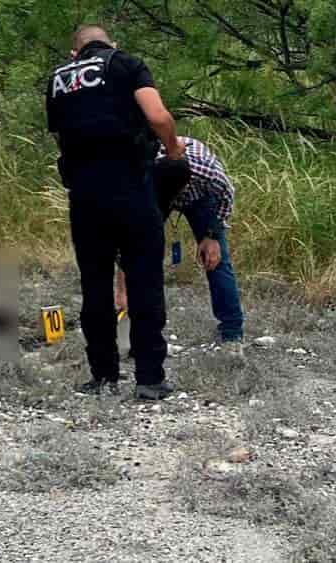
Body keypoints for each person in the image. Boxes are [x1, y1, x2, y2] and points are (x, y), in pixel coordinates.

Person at [45, 23, 187, 401]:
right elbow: (157, 117)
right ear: (112, 44)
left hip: (85, 197)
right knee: (144, 281)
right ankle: (150, 378)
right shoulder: (126, 64)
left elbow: (61, 137)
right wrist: (173, 149)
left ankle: (103, 376)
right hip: (131, 188)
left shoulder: (59, 79)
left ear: (75, 53)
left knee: (94, 286)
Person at [117, 136, 245, 346]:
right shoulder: (143, 167)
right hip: (156, 195)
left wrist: (211, 236)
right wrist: (122, 291)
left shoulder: (208, 172)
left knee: (215, 260)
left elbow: (227, 196)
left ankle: (231, 332)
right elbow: (128, 239)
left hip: (201, 199)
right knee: (139, 248)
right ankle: (140, 330)